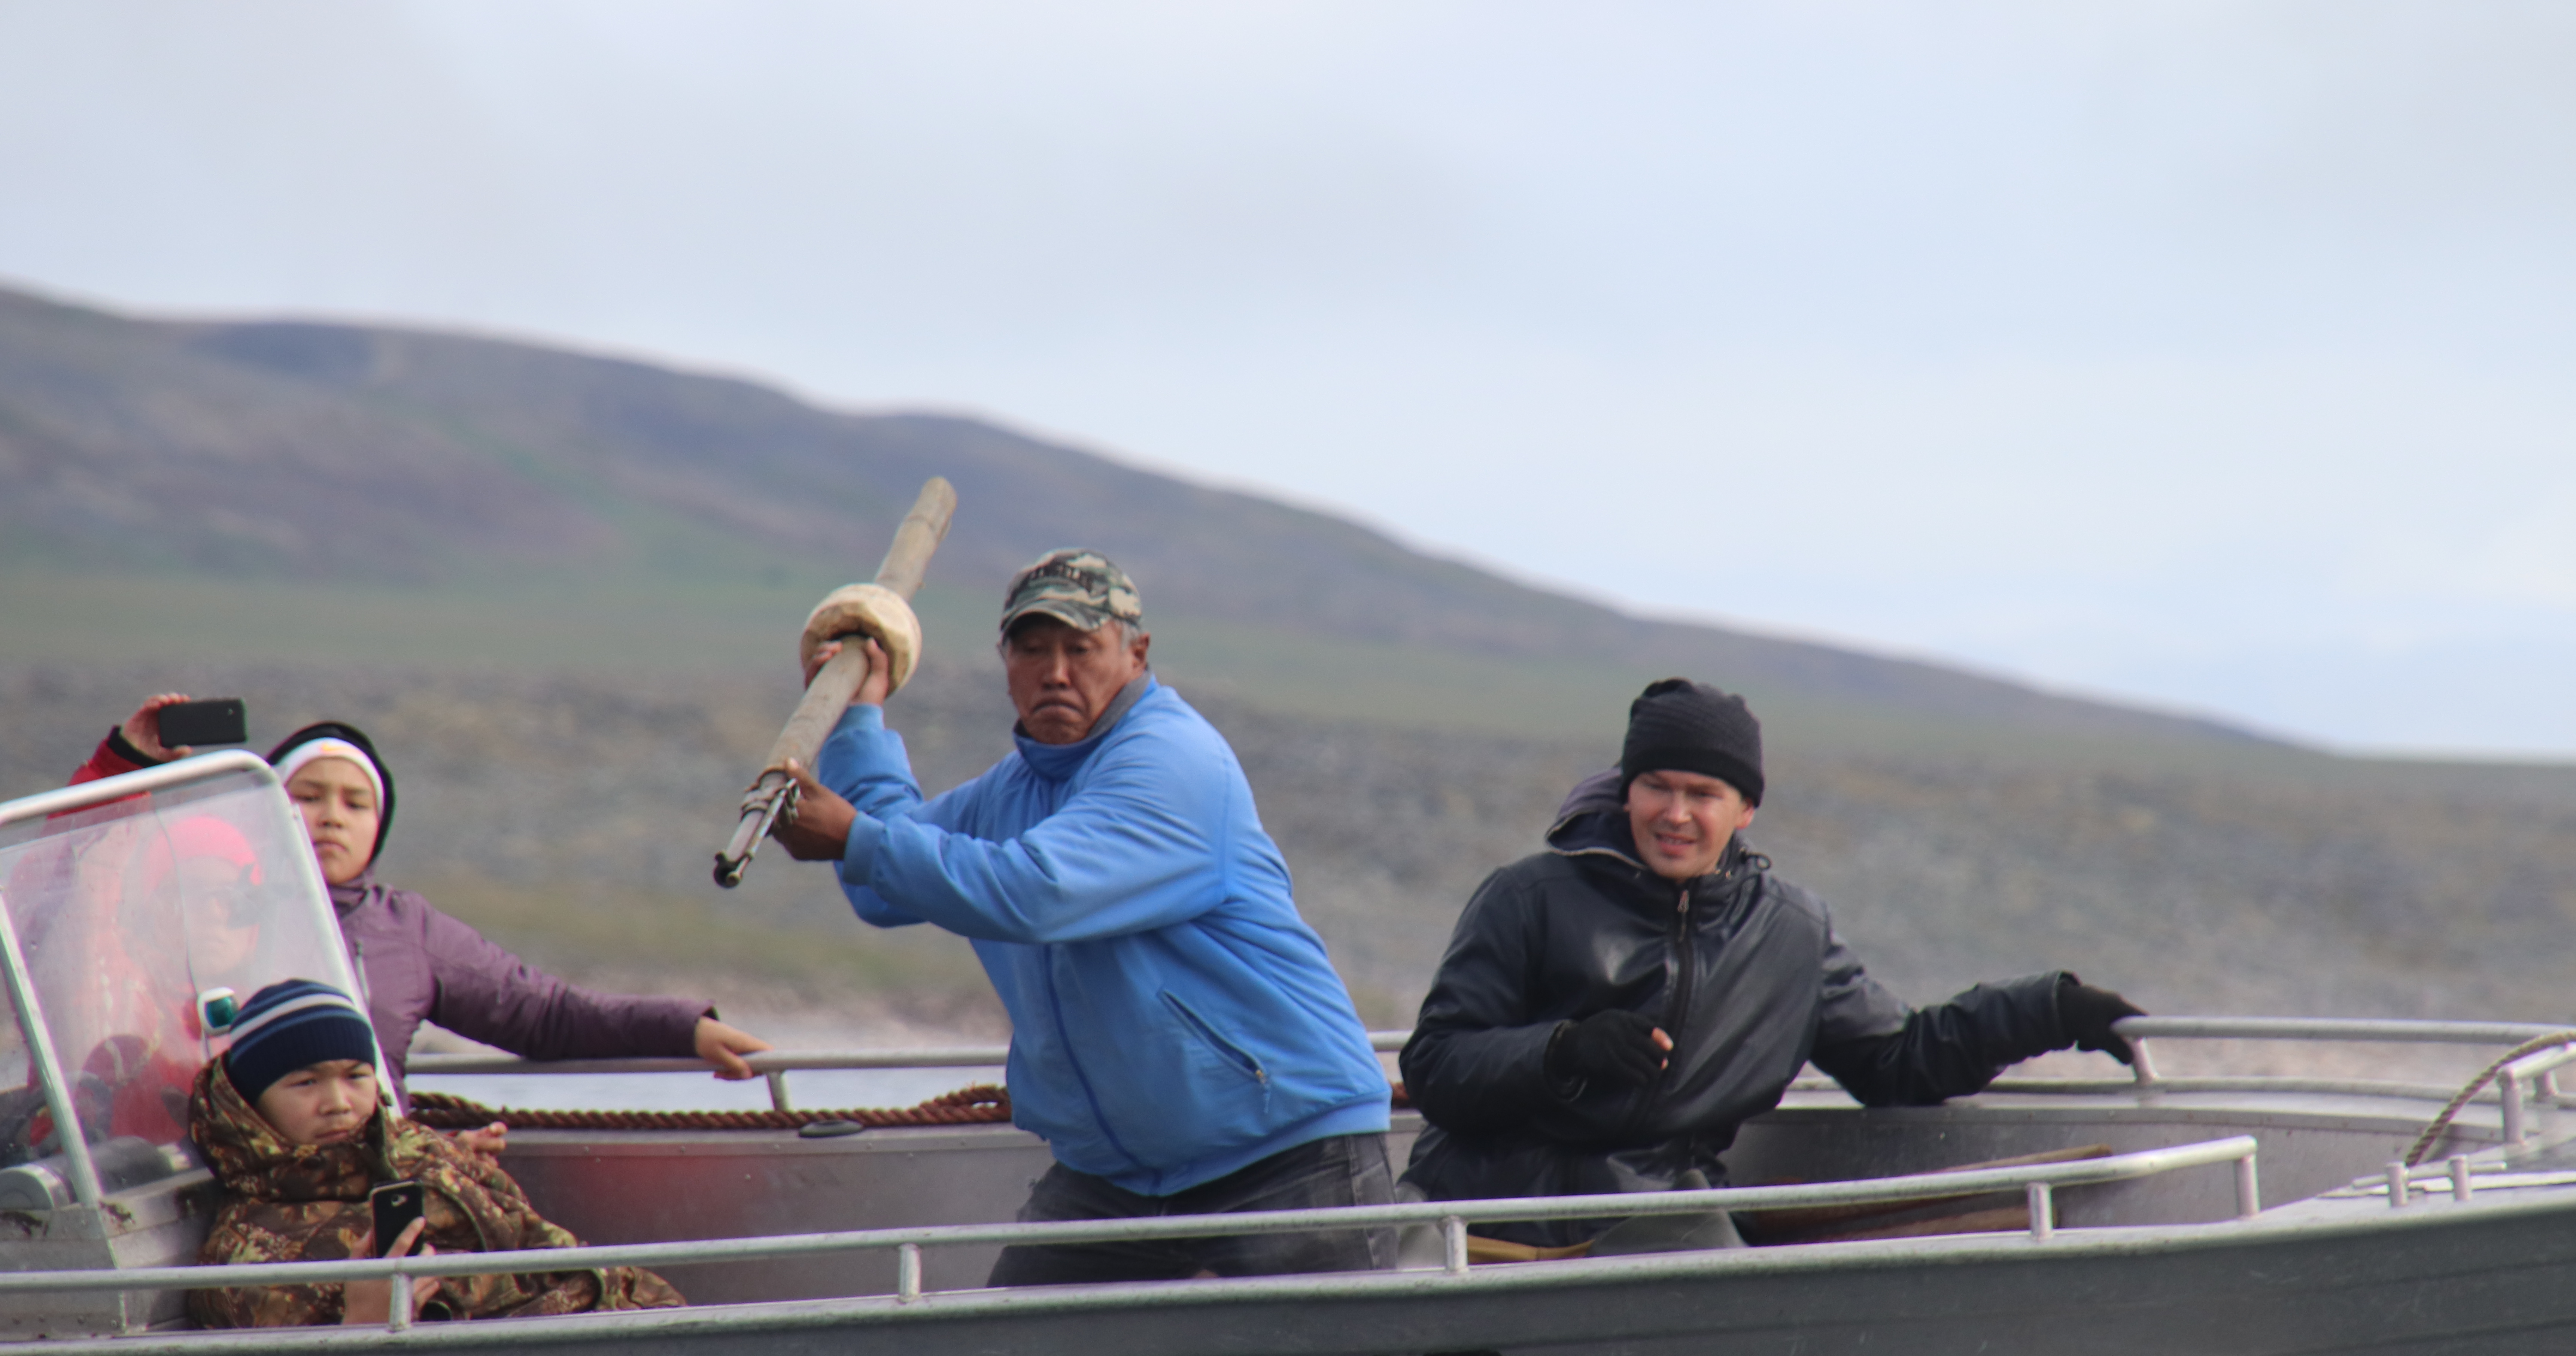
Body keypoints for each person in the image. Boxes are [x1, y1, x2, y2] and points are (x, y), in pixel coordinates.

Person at [774, 550, 1394, 1283]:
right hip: (1116, 1176)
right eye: (1033, 650)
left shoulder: (1173, 760)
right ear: (1005, 662)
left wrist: (853, 836)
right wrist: (858, 719)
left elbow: (1039, 891)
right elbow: (885, 882)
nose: (1056, 672)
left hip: (1286, 1153)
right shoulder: (1011, 791)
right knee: (1011, 1350)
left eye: (1081, 648)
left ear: (1137, 654)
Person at [1398, 677, 2147, 1246]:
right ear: (1628, 791)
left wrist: (2050, 1010)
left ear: (1746, 808)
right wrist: (1560, 1052)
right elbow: (1435, 1066)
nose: (1675, 814)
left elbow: (1898, 1061)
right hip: (1483, 1221)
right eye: (1656, 787)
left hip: (1656, 1222)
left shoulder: (1790, 933)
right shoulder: (1528, 897)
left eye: (1703, 794)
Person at [71, 698, 772, 1125]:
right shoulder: (208, 902)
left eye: (356, 803)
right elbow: (72, 892)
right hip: (226, 1186)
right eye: (308, 796)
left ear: (380, 825)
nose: (331, 817)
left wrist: (683, 1028)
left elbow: (546, 1015)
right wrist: (123, 765)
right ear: (265, 810)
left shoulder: (404, 930)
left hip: (370, 1183)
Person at [188, 978, 683, 1329]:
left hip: (594, 1330)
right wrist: (364, 1325)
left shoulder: (422, 1151)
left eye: (356, 1076)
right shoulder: (245, 1257)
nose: (338, 1102)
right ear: (252, 1103)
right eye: (305, 1082)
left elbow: (541, 1243)